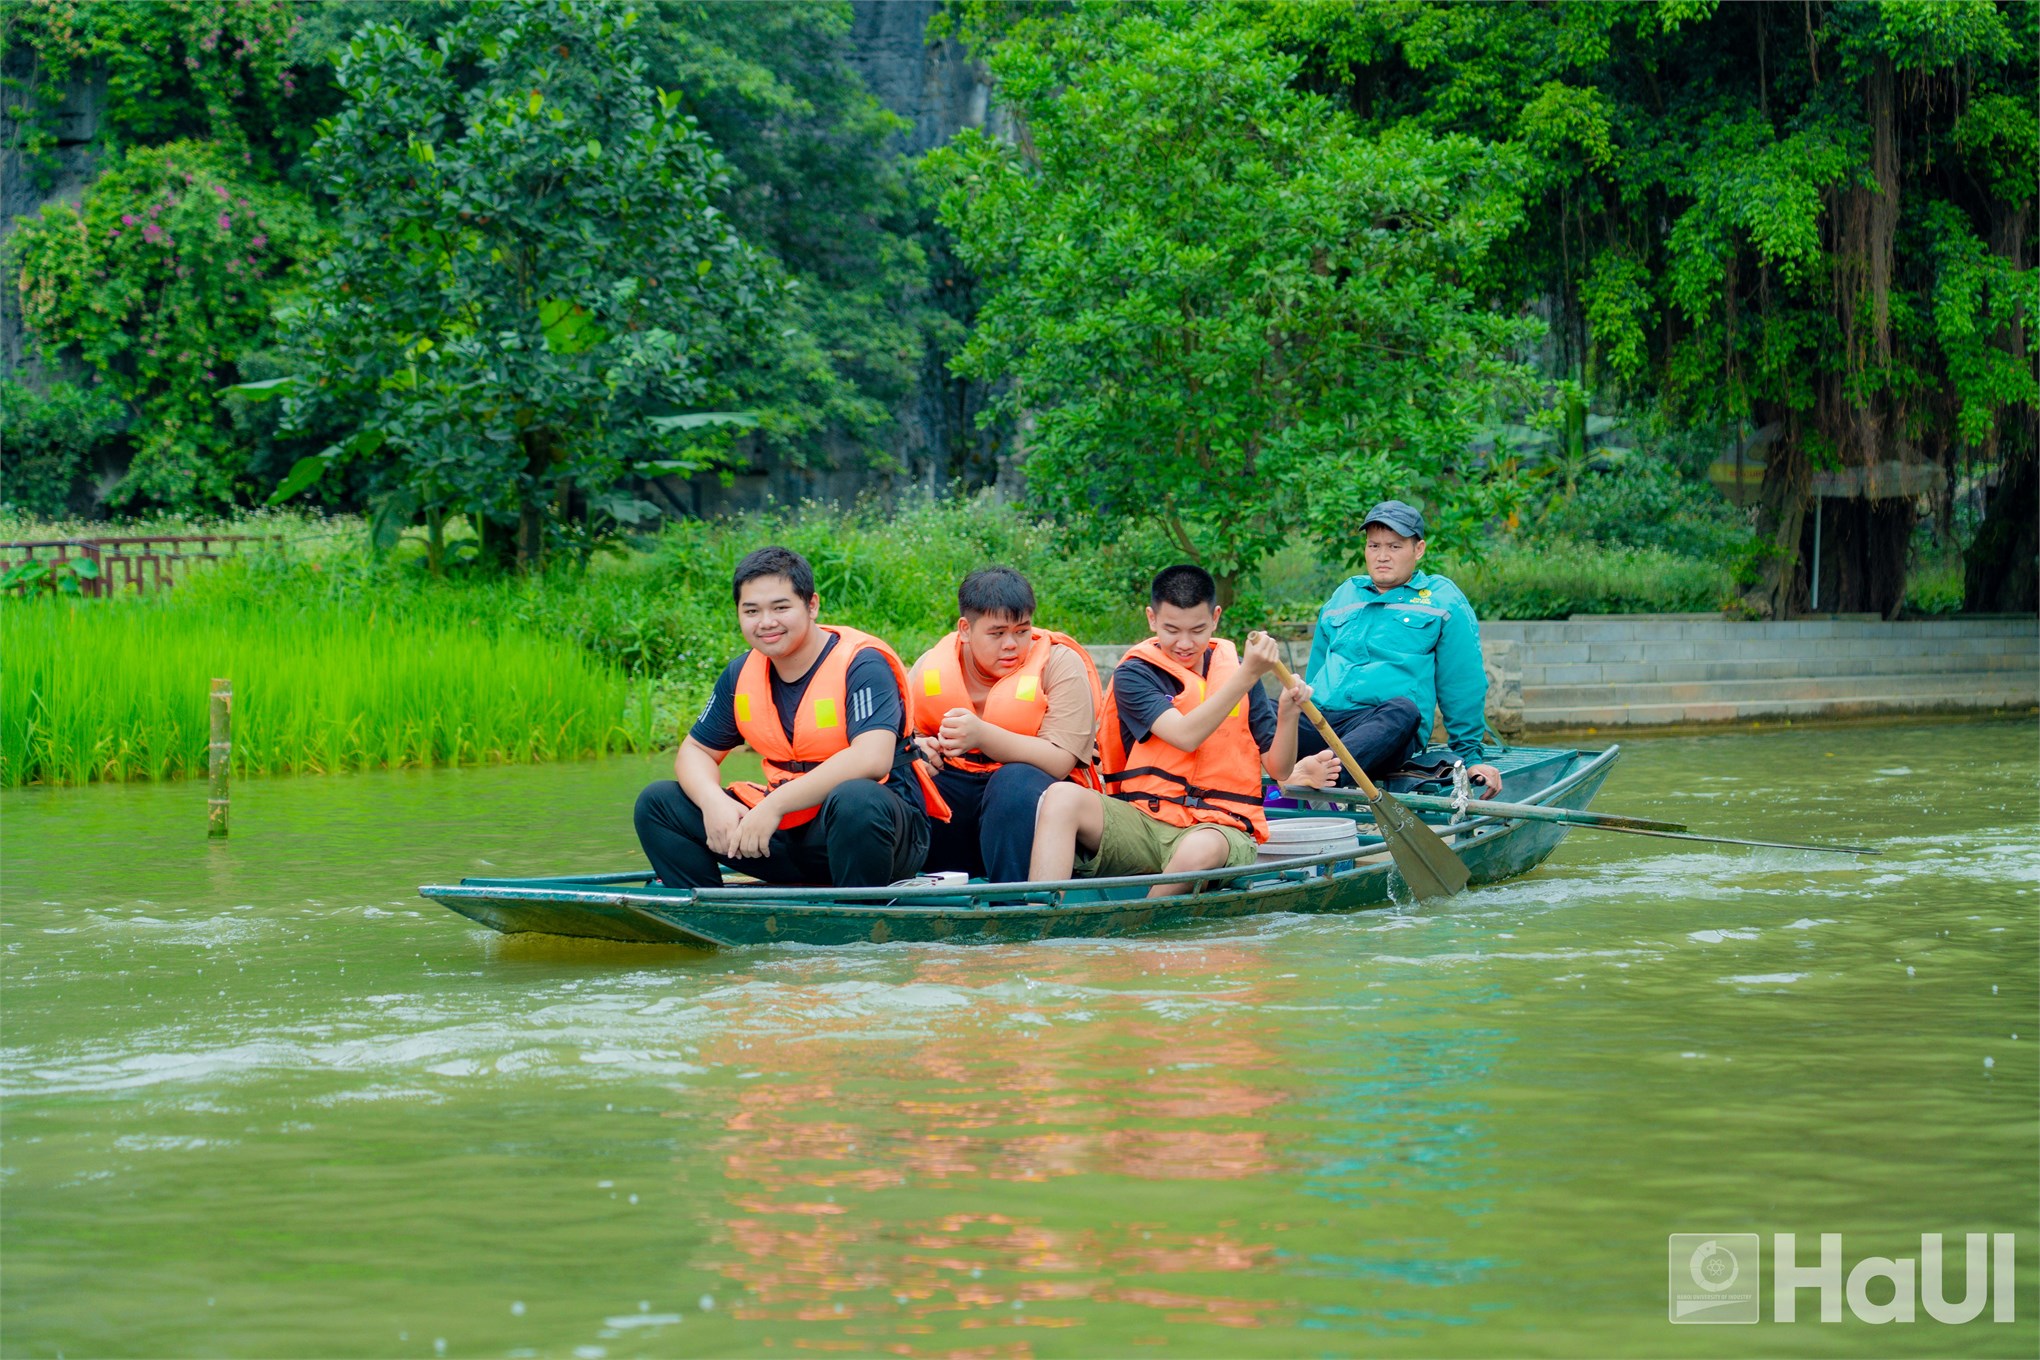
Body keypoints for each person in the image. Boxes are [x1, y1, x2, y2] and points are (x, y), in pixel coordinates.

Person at [632, 546, 947, 889]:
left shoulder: (862, 663)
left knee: (856, 798)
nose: (766, 622)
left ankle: (859, 923)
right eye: (751, 610)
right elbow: (696, 751)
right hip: (788, 833)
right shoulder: (741, 673)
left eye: (780, 608)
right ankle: (714, 916)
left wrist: (775, 806)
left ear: (812, 605)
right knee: (658, 802)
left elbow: (872, 758)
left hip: (876, 834)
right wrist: (713, 802)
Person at [1028, 564, 1318, 898]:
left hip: (1220, 828)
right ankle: (1042, 920)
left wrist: (1287, 713)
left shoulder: (1237, 671)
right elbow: (1185, 735)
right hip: (1144, 823)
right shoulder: (1135, 674)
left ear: (1215, 618)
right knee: (1060, 797)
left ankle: (1139, 931)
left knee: (1199, 848)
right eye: (1171, 629)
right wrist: (1248, 675)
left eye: (1197, 630)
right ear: (1152, 619)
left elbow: (1280, 770)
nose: (1184, 643)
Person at [907, 566, 1103, 883]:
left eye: (1022, 631)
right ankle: (902, 891)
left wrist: (982, 736)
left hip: (1023, 808)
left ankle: (1011, 906)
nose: (1011, 644)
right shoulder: (931, 664)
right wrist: (919, 750)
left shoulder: (1060, 664)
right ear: (965, 629)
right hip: (954, 811)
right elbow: (905, 739)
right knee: (906, 775)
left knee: (1014, 780)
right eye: (997, 634)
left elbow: (1060, 759)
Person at [1301, 499, 1503, 794]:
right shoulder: (1344, 594)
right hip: (1324, 722)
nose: (1382, 556)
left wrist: (1469, 757)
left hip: (1384, 729)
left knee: (1403, 711)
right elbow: (1315, 672)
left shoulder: (1443, 600)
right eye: (1374, 546)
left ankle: (1321, 774)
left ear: (1418, 549)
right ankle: (1289, 772)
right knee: (1259, 703)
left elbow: (1461, 684)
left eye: (1394, 547)